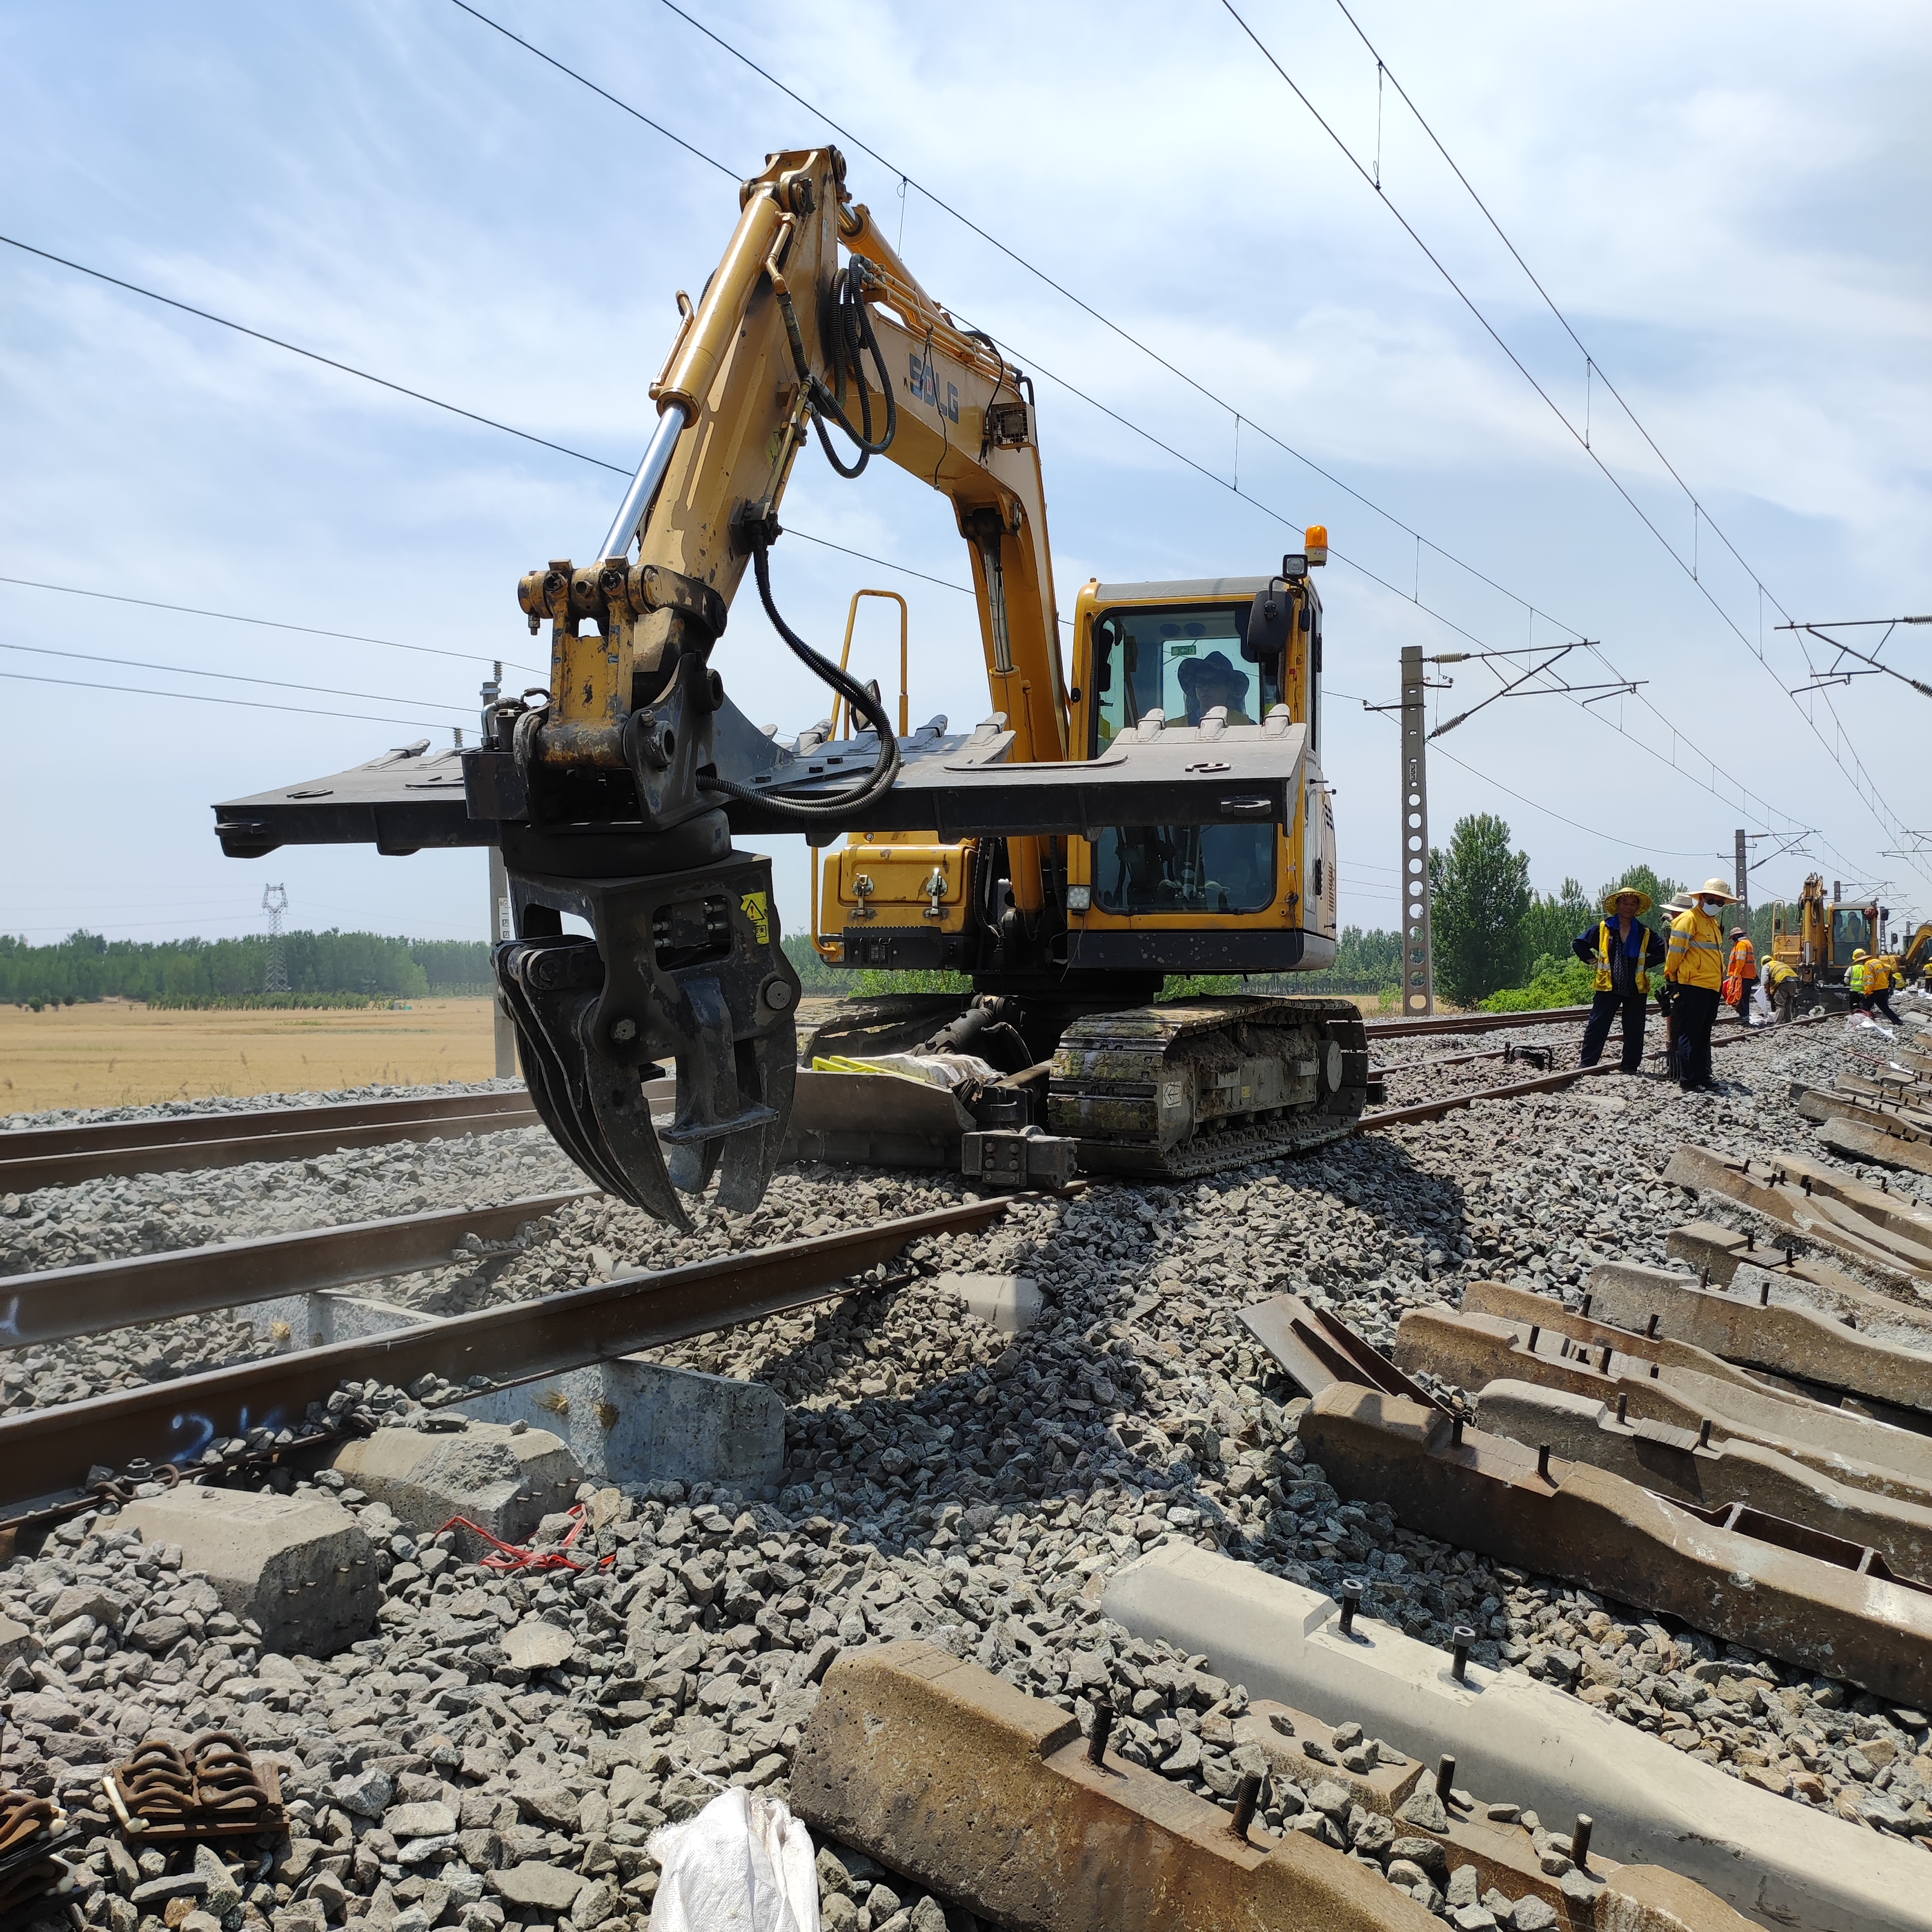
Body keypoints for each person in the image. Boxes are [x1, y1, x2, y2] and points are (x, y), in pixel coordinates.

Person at [1572, 885, 1668, 1072]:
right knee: (1598, 1024)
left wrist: (1647, 963)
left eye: (1633, 903)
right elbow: (1579, 943)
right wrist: (1593, 961)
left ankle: (1630, 1066)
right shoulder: (1604, 927)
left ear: (1637, 907)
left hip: (1635, 985)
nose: (1628, 907)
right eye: (1625, 902)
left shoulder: (1643, 931)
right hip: (1608, 985)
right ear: (1618, 905)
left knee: (1635, 1027)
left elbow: (1663, 949)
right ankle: (1587, 1063)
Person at [1664, 877, 1736, 1091]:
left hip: (1711, 986)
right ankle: (1689, 1080)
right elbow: (1676, 952)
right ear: (1702, 898)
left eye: (1720, 902)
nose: (1716, 904)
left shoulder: (1712, 924)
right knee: (1690, 1033)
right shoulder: (1689, 920)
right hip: (1693, 985)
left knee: (1704, 1033)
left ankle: (1702, 1076)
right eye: (1713, 899)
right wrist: (1672, 977)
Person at [1175, 650, 1255, 726]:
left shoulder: (1246, 725)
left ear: (1229, 687)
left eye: (1213, 682)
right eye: (1200, 681)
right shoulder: (1174, 728)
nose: (1206, 688)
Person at [1721, 925, 1757, 1029]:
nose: (1733, 941)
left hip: (1743, 975)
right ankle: (1745, 1016)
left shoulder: (1741, 945)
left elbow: (1740, 960)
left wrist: (1736, 974)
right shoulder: (1747, 943)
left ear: (1736, 937)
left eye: (1733, 938)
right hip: (1749, 975)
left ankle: (1744, 1015)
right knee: (1744, 997)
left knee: (1737, 996)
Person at [1761, 954, 1800, 1023]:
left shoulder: (1766, 966)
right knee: (1788, 1003)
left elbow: (1765, 982)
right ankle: (1788, 1021)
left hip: (1783, 982)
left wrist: (1769, 993)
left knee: (1780, 1004)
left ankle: (1778, 1022)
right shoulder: (1779, 963)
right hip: (1794, 982)